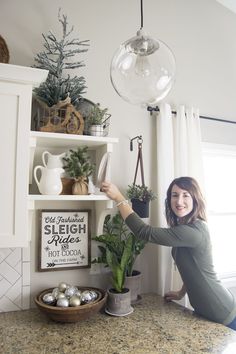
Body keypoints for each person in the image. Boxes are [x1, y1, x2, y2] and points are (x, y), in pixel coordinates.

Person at [101, 176, 236, 330]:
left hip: (222, 312)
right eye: (175, 195)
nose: (179, 201)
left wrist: (119, 197)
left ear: (195, 199)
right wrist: (180, 293)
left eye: (186, 195)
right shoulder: (185, 228)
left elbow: (144, 231)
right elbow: (193, 269)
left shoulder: (194, 232)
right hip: (206, 312)